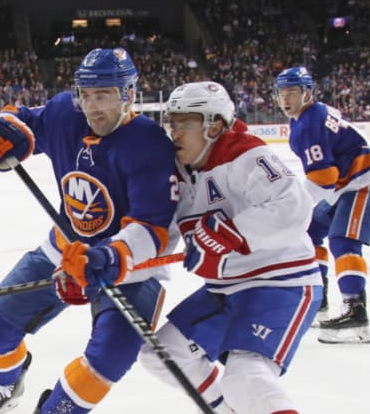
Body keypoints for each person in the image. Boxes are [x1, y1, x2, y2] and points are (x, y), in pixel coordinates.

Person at [0, 47, 177, 414]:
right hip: (64, 249)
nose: (93, 106)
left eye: (104, 95)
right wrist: (2, 129)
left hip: (129, 266)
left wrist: (106, 258)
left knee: (109, 359)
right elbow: (20, 119)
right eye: (86, 95)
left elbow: (152, 227)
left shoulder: (150, 144)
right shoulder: (66, 114)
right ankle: (8, 385)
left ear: (128, 94)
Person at [138, 81, 322, 413]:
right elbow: (161, 237)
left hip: (279, 283)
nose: (175, 132)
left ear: (215, 126)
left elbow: (293, 207)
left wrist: (229, 233)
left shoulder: (245, 153)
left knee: (246, 374)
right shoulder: (176, 172)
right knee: (163, 355)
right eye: (172, 122)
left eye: (186, 123)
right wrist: (114, 260)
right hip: (225, 290)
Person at [274, 67, 370, 344]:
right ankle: (318, 302)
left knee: (343, 240)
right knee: (309, 231)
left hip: (366, 179)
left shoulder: (309, 123)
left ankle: (356, 313)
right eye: (281, 93)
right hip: (346, 183)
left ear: (307, 92)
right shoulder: (305, 118)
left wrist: (292, 208)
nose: (285, 99)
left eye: (291, 92)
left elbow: (323, 179)